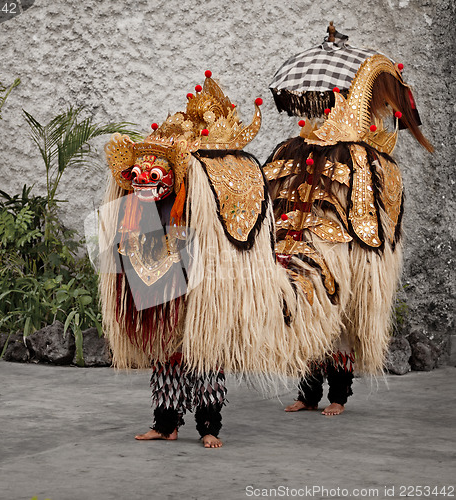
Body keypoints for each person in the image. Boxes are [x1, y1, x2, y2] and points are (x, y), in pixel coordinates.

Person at [99, 72, 336, 445]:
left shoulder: (197, 197)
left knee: (206, 352)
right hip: (165, 272)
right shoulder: (142, 212)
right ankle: (166, 423)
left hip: (204, 280)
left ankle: (209, 427)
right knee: (166, 354)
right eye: (137, 174)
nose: (143, 181)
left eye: (154, 174)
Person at [264, 51, 433, 416]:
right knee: (306, 311)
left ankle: (338, 396)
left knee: (340, 323)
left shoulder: (362, 157)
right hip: (299, 240)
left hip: (347, 247)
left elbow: (373, 212)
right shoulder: (296, 149)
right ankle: (307, 394)